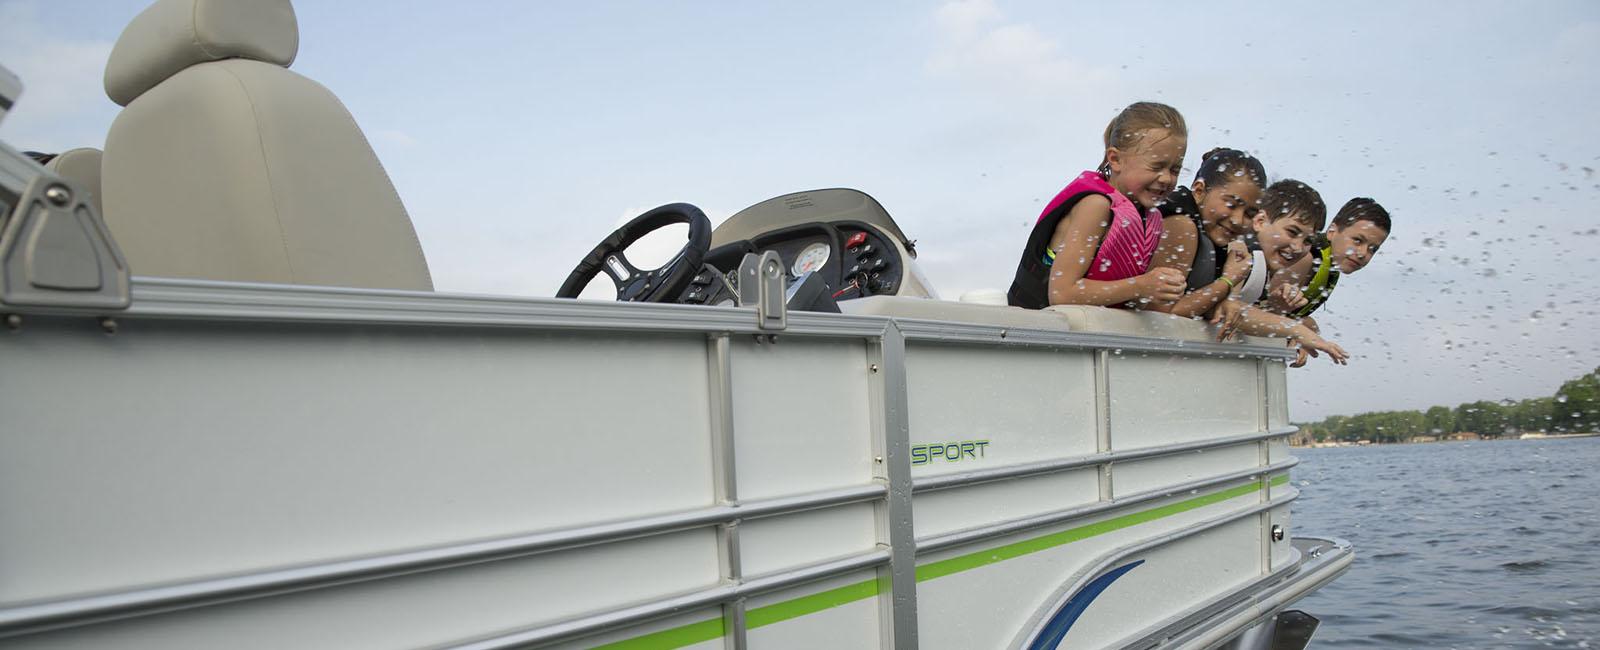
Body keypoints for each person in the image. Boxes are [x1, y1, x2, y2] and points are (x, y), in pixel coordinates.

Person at [1007, 102, 1187, 309]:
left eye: (1175, 169)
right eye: (1156, 166)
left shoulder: (1148, 217)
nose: (1166, 178)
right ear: (1115, 159)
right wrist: (1142, 286)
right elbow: (1062, 293)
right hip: (1037, 330)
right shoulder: (1095, 206)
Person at [1149, 147, 1267, 318]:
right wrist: (1227, 281)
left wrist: (1230, 298)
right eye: (1231, 204)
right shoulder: (1182, 224)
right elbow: (1161, 313)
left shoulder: (1217, 239)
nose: (1238, 220)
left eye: (1249, 213)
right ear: (1199, 191)